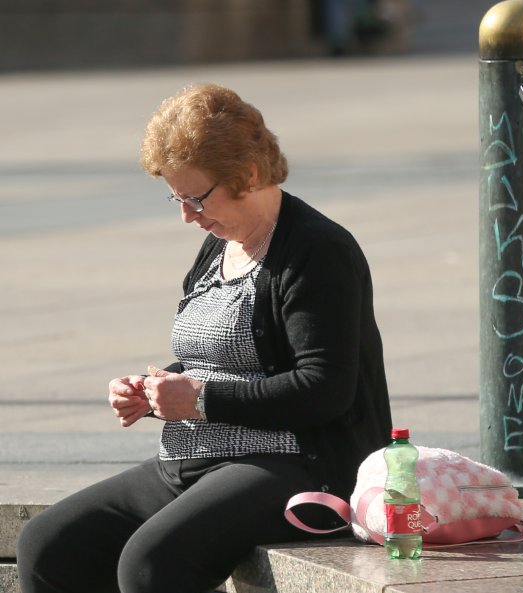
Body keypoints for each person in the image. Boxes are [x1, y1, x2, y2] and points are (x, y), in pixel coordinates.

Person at [16, 83, 392, 593]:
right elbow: (215, 356)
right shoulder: (221, 244)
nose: (186, 215)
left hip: (299, 466)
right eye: (176, 197)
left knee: (152, 564)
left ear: (249, 174)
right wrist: (153, 388)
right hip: (196, 456)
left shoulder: (317, 251)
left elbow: (325, 389)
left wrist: (198, 399)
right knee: (49, 544)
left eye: (196, 197)